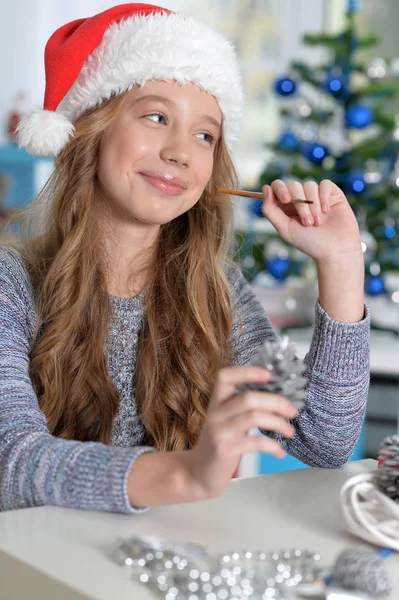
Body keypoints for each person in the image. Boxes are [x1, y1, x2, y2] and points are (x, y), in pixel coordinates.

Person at [0, 3, 369, 515]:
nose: (181, 152)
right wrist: (186, 473)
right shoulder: (10, 284)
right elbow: (13, 463)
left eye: (205, 135)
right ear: (90, 127)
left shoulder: (220, 293)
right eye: (156, 116)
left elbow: (322, 442)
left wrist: (342, 262)